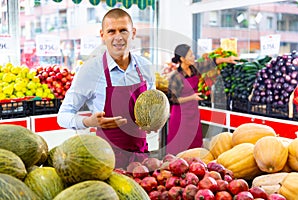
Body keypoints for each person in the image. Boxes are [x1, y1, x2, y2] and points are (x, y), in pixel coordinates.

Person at [57, 8, 156, 169]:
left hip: (141, 157)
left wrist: (154, 122)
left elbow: (152, 107)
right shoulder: (90, 70)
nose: (118, 37)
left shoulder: (145, 67)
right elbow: (62, 116)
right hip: (105, 160)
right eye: (111, 31)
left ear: (133, 33)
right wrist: (88, 121)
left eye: (123, 30)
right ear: (102, 35)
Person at [166, 44, 238, 155]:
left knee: (194, 145)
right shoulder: (175, 76)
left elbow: (210, 63)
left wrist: (227, 59)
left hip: (193, 113)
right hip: (180, 115)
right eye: (191, 55)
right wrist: (192, 97)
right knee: (179, 146)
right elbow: (173, 99)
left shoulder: (194, 68)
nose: (193, 57)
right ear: (182, 59)